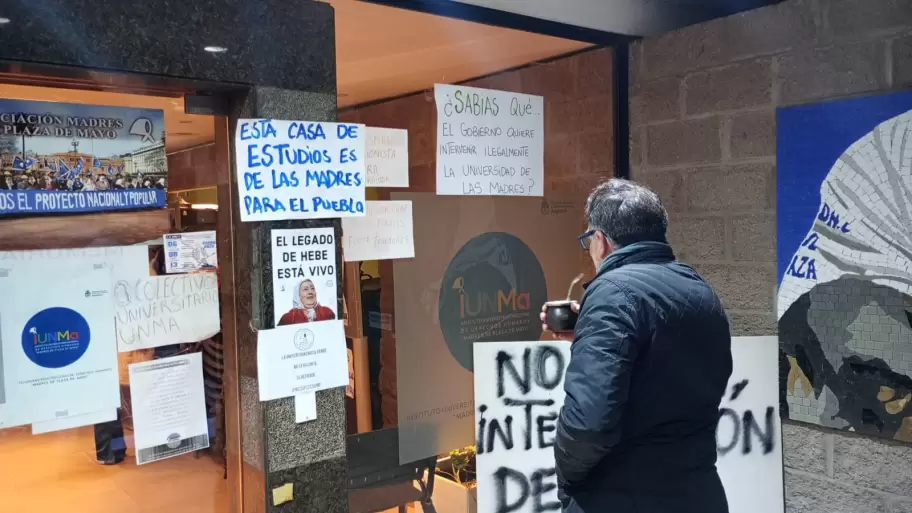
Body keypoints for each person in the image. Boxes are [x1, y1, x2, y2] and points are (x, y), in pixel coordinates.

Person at [540, 179, 732, 513]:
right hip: (698, 493)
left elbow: (588, 425)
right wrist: (588, 330)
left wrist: (568, 480)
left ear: (600, 240)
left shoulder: (611, 292)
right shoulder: (700, 289)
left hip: (622, 497)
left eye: (588, 241)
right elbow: (667, 365)